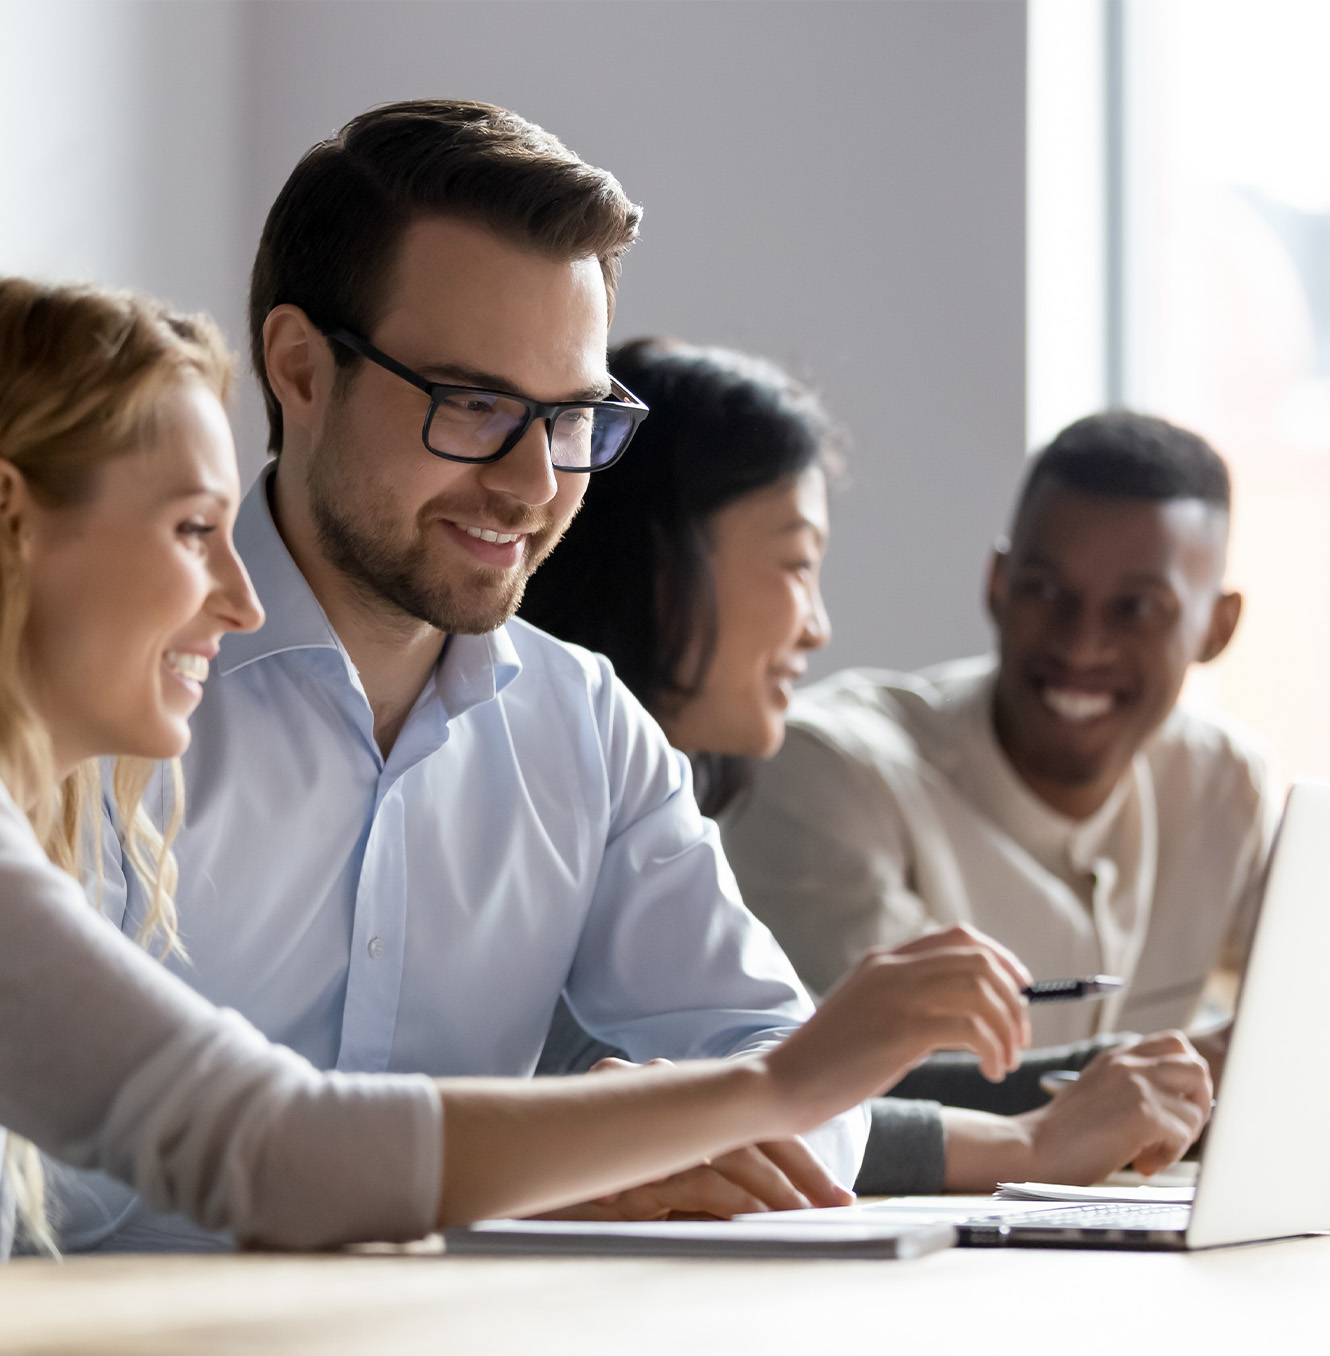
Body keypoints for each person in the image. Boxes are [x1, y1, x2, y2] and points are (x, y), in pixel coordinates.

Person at [0, 275, 1039, 1270]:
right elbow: (257, 1144)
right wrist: (779, 1083)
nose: (239, 600)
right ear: (6, 514)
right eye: (195, 530)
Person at [54, 97, 1027, 1247]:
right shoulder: (97, 695)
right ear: (300, 369)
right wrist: (528, 1163)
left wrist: (646, 1144)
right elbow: (40, 1172)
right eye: (472, 406)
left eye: (569, 417)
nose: (529, 484)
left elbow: (789, 1071)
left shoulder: (583, 725)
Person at [522, 340, 1215, 1196]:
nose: (817, 626)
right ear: (665, 566)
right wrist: (1030, 1144)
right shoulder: (532, 779)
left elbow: (770, 1082)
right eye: (799, 564)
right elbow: (708, 1100)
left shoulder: (651, 796)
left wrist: (1128, 1084)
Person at [722, 410, 1272, 1062]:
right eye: (1045, 590)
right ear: (998, 586)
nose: (1081, 644)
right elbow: (879, 1083)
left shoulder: (1221, 781)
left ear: (1218, 628)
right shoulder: (827, 770)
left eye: (1138, 609)